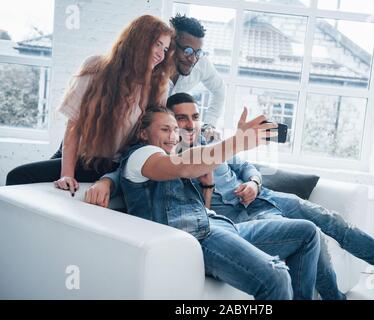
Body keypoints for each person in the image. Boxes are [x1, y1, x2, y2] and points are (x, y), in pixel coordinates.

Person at [163, 92, 374, 299]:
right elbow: (201, 214)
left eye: (195, 116)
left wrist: (253, 182)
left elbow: (247, 165)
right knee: (311, 237)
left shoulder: (214, 142)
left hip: (265, 196)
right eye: (181, 118)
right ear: (171, 124)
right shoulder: (174, 164)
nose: (190, 124)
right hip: (241, 217)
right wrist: (207, 186)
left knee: (332, 220)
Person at [117, 107, 321, 300]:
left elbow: (194, 202)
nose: (173, 136)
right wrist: (238, 140)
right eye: (164, 129)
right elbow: (184, 166)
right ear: (143, 134)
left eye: (174, 130)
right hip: (197, 238)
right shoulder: (140, 155)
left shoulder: (173, 156)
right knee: (276, 276)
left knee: (307, 233)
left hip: (217, 225)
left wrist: (208, 188)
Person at [5, 15, 175, 195]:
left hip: (117, 165)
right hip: (84, 158)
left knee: (22, 179)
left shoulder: (159, 87)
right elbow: (73, 126)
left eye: (165, 49)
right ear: (138, 40)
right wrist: (67, 175)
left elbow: (152, 139)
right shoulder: (95, 68)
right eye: (157, 44)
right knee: (18, 178)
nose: (161, 55)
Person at [169, 14, 225, 140]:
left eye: (198, 52)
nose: (193, 59)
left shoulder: (201, 63)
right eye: (187, 51)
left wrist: (209, 124)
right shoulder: (152, 68)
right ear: (172, 44)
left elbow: (219, 90)